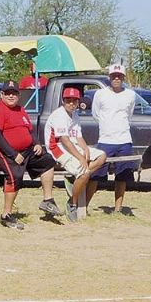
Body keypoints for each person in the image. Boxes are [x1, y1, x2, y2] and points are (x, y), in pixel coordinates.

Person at [0, 80, 63, 230]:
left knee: (47, 161)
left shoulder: (20, 110)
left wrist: (37, 143)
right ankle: (6, 215)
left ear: (18, 95)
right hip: (0, 151)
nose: (11, 96)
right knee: (14, 176)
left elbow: (29, 131)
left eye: (14, 93)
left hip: (24, 150)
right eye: (8, 93)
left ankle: (48, 200)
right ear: (2, 94)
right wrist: (13, 154)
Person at [43, 88, 107, 221]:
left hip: (72, 145)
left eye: (74, 101)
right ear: (63, 101)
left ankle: (77, 178)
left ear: (78, 102)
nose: (71, 103)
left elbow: (78, 137)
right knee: (84, 173)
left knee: (102, 157)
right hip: (57, 148)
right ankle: (72, 202)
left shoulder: (75, 115)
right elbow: (64, 141)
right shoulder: (59, 115)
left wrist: (86, 150)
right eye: (68, 100)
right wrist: (81, 158)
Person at [87, 64, 138, 215]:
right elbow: (95, 114)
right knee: (95, 175)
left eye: (119, 76)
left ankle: (118, 209)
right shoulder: (100, 94)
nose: (116, 78)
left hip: (124, 140)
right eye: (114, 76)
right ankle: (84, 207)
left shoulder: (130, 94)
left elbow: (129, 114)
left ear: (123, 77)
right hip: (105, 140)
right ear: (109, 77)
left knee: (122, 176)